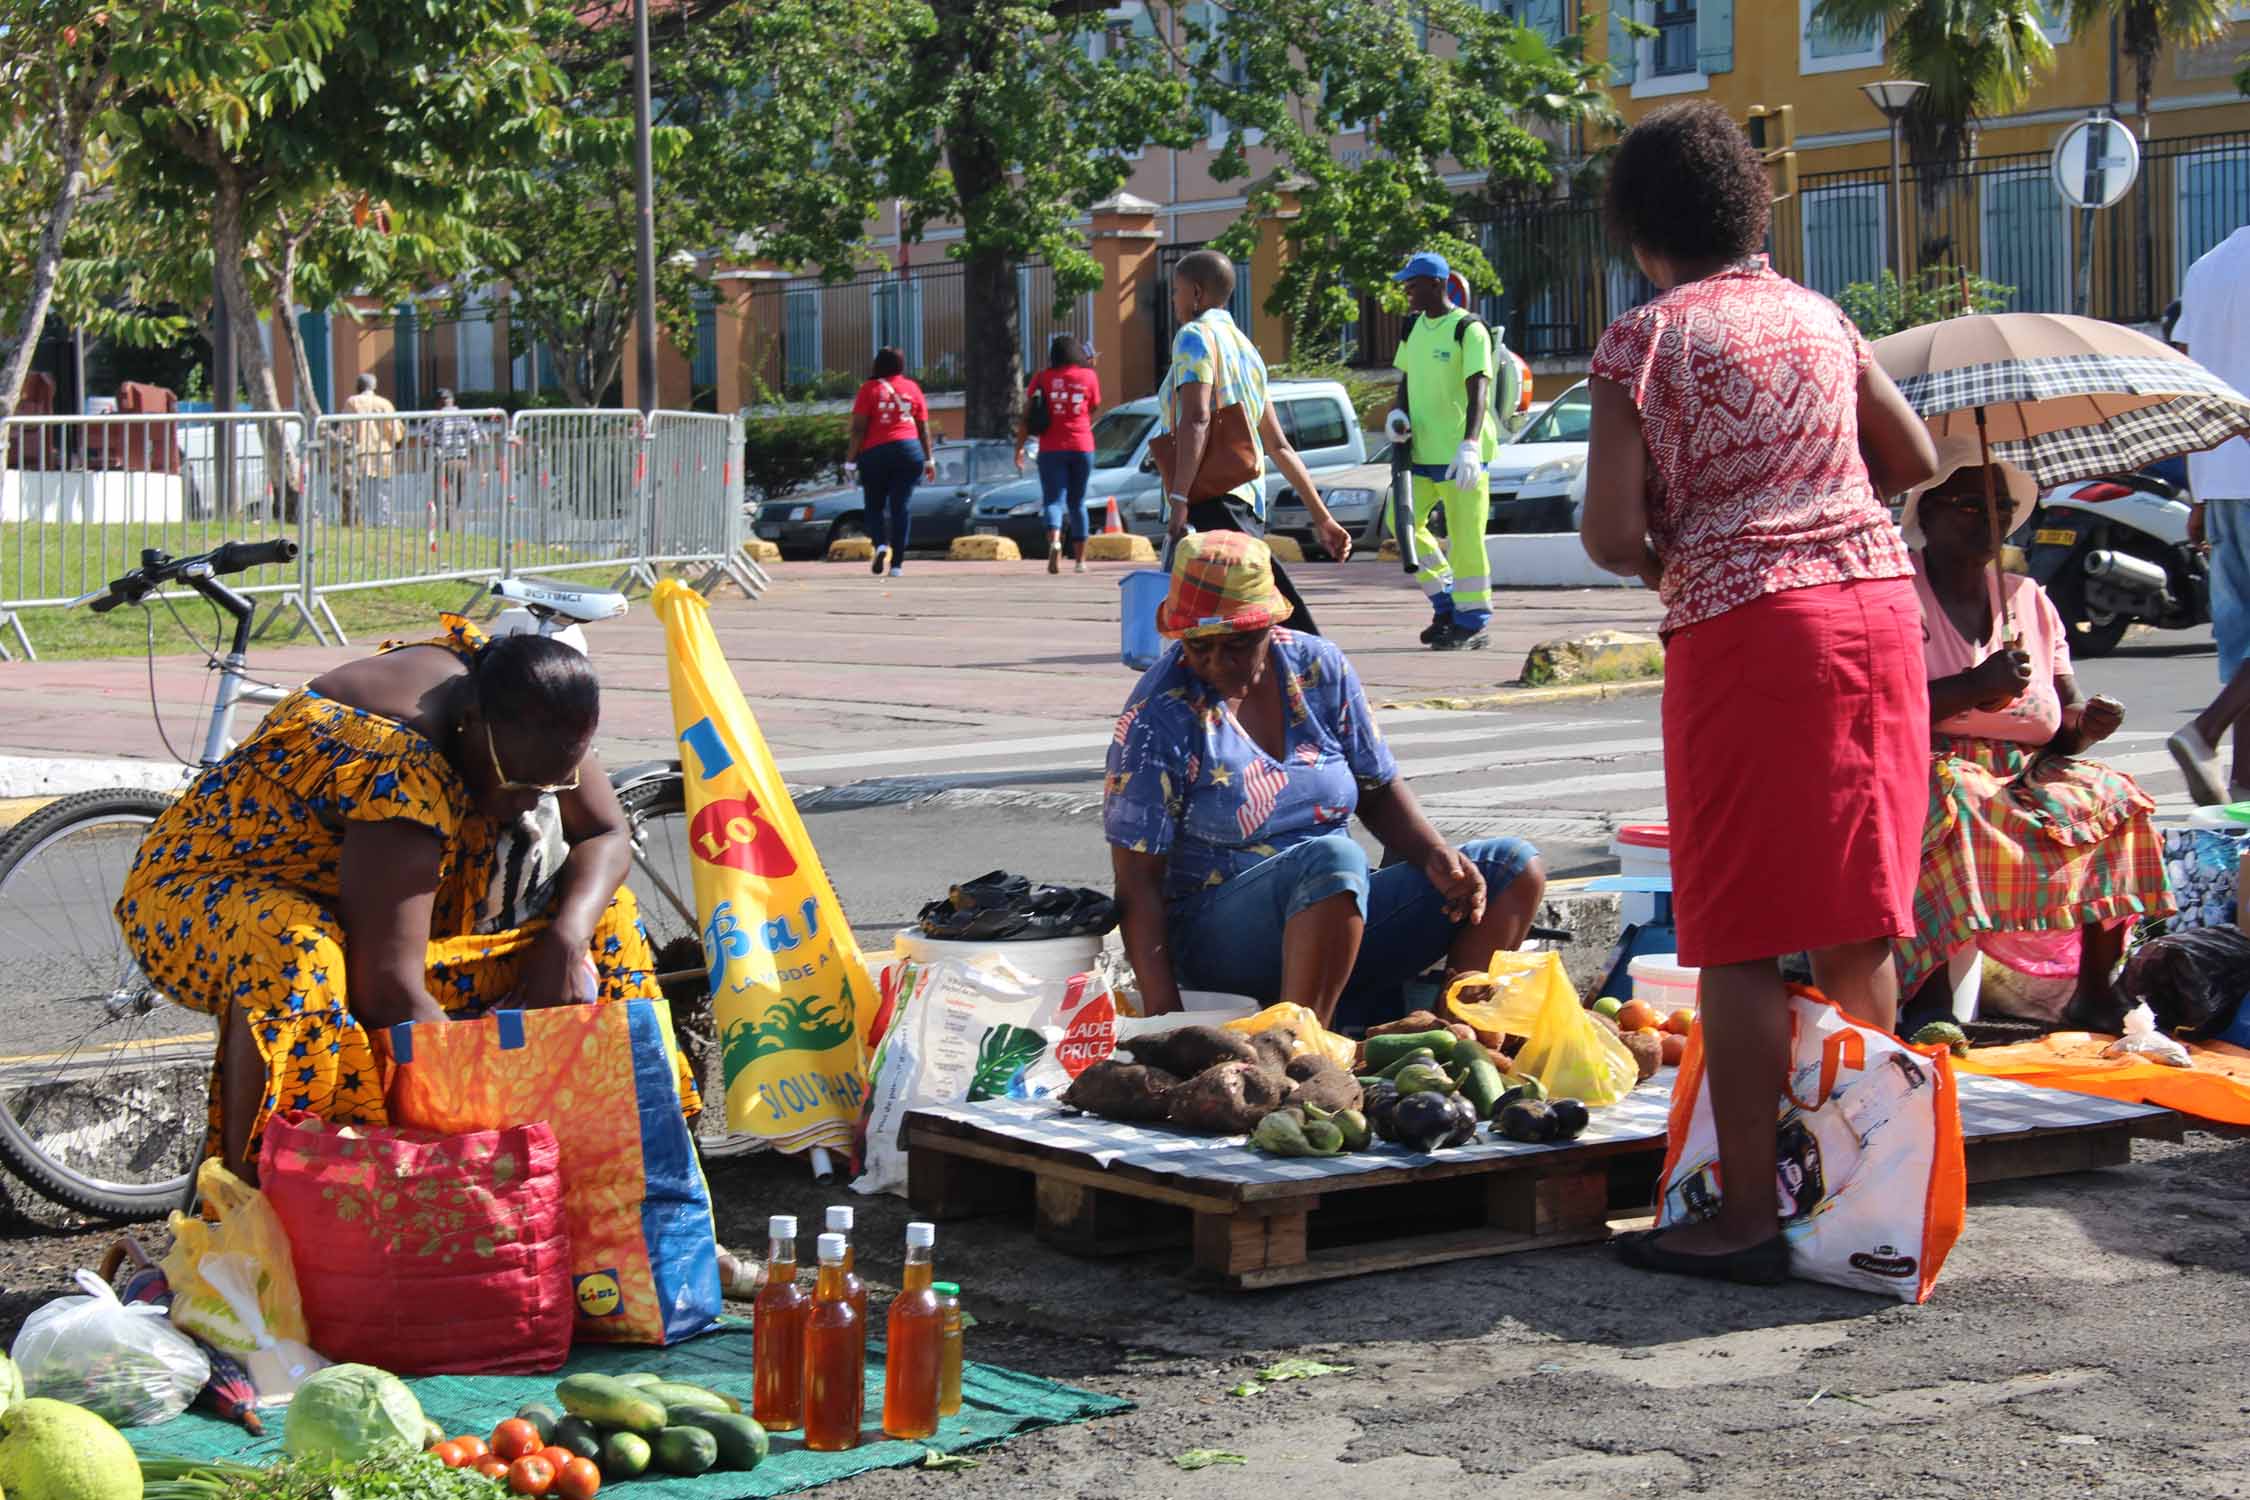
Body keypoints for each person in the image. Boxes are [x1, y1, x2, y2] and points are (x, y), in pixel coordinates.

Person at [1579, 101, 1939, 1284]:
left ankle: (1743, 1216)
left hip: (1750, 625)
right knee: (1853, 916)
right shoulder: (1819, 315)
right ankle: (1877, 1198)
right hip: (1880, 613)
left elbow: (1607, 529)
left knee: (1734, 932)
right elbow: (1916, 462)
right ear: (1756, 206)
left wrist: (1680, 549)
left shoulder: (1646, 343)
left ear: (1640, 233)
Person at [114, 618, 684, 1180]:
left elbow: (606, 833)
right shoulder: (402, 761)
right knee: (299, 954)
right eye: (517, 786)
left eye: (551, 788)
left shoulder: (525, 702)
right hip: (209, 894)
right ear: (470, 725)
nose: (528, 806)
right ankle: (260, 1203)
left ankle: (635, 1179)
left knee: (605, 914)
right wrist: (491, 1131)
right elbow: (389, 990)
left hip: (360, 896)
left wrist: (566, 938)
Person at [1104, 531, 1545, 1029]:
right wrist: (1168, 1024)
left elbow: (1376, 789)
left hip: (1337, 911)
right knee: (1333, 859)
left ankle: (1454, 1036)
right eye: (1200, 646)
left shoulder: (1318, 667)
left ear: (1270, 625)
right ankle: (1299, 1049)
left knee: (1513, 866)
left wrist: (1434, 853)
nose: (1217, 663)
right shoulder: (1157, 715)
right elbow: (1137, 883)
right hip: (1218, 939)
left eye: (1239, 644)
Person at [1896, 454, 2174, 1032]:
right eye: (1971, 507)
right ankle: (1929, 999)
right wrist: (1974, 687)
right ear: (1929, 512)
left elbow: (2064, 718)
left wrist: (2087, 724)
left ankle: (2096, 989)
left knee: (2116, 797)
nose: (1990, 522)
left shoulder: (2029, 597)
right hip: (1932, 762)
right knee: (1956, 795)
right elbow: (1876, 710)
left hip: (2026, 771)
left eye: (2002, 509)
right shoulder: (1897, 594)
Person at [1157, 250, 1352, 631]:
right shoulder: (1247, 350)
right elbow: (1278, 445)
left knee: (1262, 605)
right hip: (1247, 496)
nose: (1174, 300)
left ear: (1196, 293)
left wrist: (1179, 498)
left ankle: (1318, 668)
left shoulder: (1193, 337)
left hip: (1211, 496)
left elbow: (1196, 418)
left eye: (1177, 291)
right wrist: (1323, 518)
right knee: (1230, 617)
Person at [2168, 223, 2250, 801]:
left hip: (2221, 476)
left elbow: (2187, 385)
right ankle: (2205, 730)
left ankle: (2245, 785)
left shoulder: (2208, 266)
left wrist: (2199, 491)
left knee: (2244, 643)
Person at [1385, 251, 1502, 650]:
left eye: (1412, 284)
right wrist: (1398, 412)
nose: (1408, 292)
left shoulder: (1469, 330)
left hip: (1460, 457)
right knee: (1400, 523)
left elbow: (1480, 391)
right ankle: (1446, 602)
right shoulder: (1413, 327)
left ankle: (1472, 623)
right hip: (1418, 452)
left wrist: (1470, 444)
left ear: (1437, 284)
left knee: (1467, 538)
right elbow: (1406, 378)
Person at [1015, 335, 1102, 574]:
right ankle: (1080, 561)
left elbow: (1027, 414)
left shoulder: (1043, 378)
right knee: (1078, 502)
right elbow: (1094, 406)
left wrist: (1019, 448)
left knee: (1053, 500)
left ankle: (1055, 540)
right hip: (1082, 445)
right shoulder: (1089, 376)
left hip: (1051, 447)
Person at [847, 347, 936, 578]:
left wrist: (850, 462)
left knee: (874, 507)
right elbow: (923, 428)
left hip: (875, 453)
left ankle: (880, 546)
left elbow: (858, 429)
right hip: (909, 451)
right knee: (901, 507)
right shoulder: (912, 388)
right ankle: (897, 565)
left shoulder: (869, 389)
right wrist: (929, 460)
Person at [339, 372, 404, 526]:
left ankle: (366, 521)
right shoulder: (385, 404)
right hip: (383, 453)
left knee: (364, 492)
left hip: (361, 453)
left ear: (358, 386)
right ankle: (384, 522)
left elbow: (346, 431)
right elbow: (397, 432)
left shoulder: (352, 402)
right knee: (383, 491)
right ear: (374, 386)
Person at [428, 387, 482, 532]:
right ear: (453, 401)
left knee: (445, 498)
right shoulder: (466, 417)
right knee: (457, 497)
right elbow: (476, 441)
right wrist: (473, 461)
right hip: (463, 462)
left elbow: (427, 440)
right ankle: (452, 528)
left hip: (443, 463)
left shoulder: (435, 418)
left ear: (439, 403)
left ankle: (449, 529)